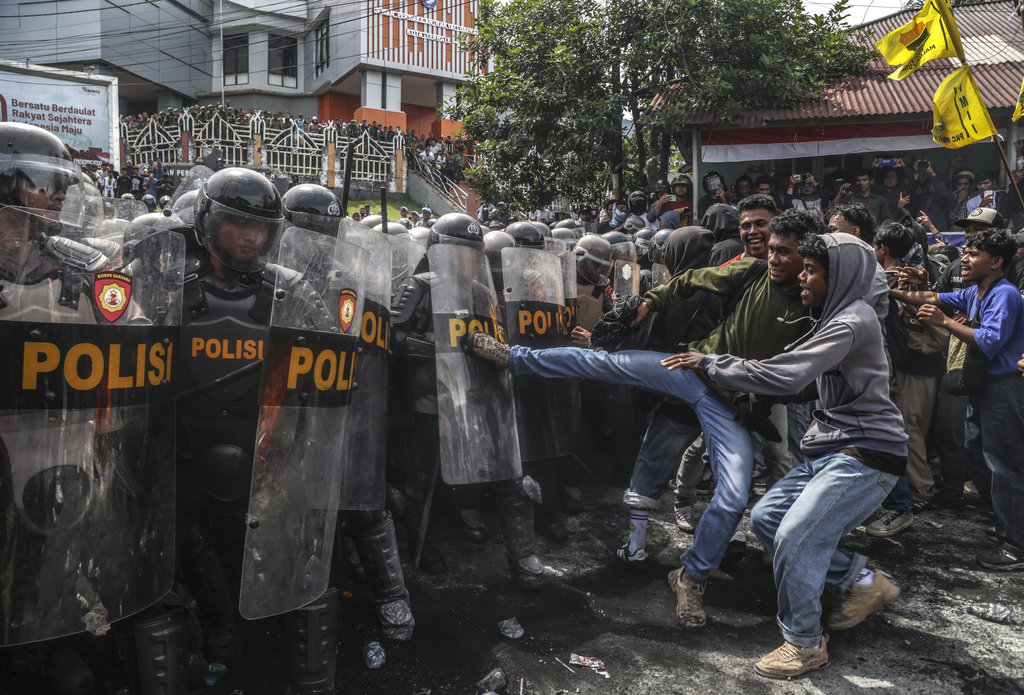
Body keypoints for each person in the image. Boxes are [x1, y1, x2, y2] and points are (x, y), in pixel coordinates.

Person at [463, 208, 816, 631]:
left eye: (785, 251)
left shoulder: (819, 308)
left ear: (810, 260)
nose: (774, 257)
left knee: (734, 494)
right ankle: (513, 357)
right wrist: (645, 305)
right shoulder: (752, 271)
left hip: (731, 404)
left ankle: (691, 578)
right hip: (688, 368)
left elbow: (804, 372)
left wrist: (767, 394)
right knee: (601, 363)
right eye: (771, 249)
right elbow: (686, 282)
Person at [667, 232, 907, 679]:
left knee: (797, 534)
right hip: (833, 447)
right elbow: (798, 375)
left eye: (812, 271)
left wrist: (710, 362)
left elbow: (784, 373)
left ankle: (804, 644)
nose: (802, 277)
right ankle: (865, 582)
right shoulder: (832, 317)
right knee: (768, 518)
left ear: (841, 277)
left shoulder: (850, 321)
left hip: (867, 454)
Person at [892, 229, 1024, 570]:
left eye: (974, 253)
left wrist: (945, 323)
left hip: (1004, 387)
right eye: (966, 250)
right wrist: (889, 289)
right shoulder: (976, 291)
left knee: (1004, 464)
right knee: (972, 449)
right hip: (983, 387)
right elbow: (933, 298)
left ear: (996, 262)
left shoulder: (1004, 294)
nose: (964, 257)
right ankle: (1006, 521)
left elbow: (989, 341)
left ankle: (1015, 546)